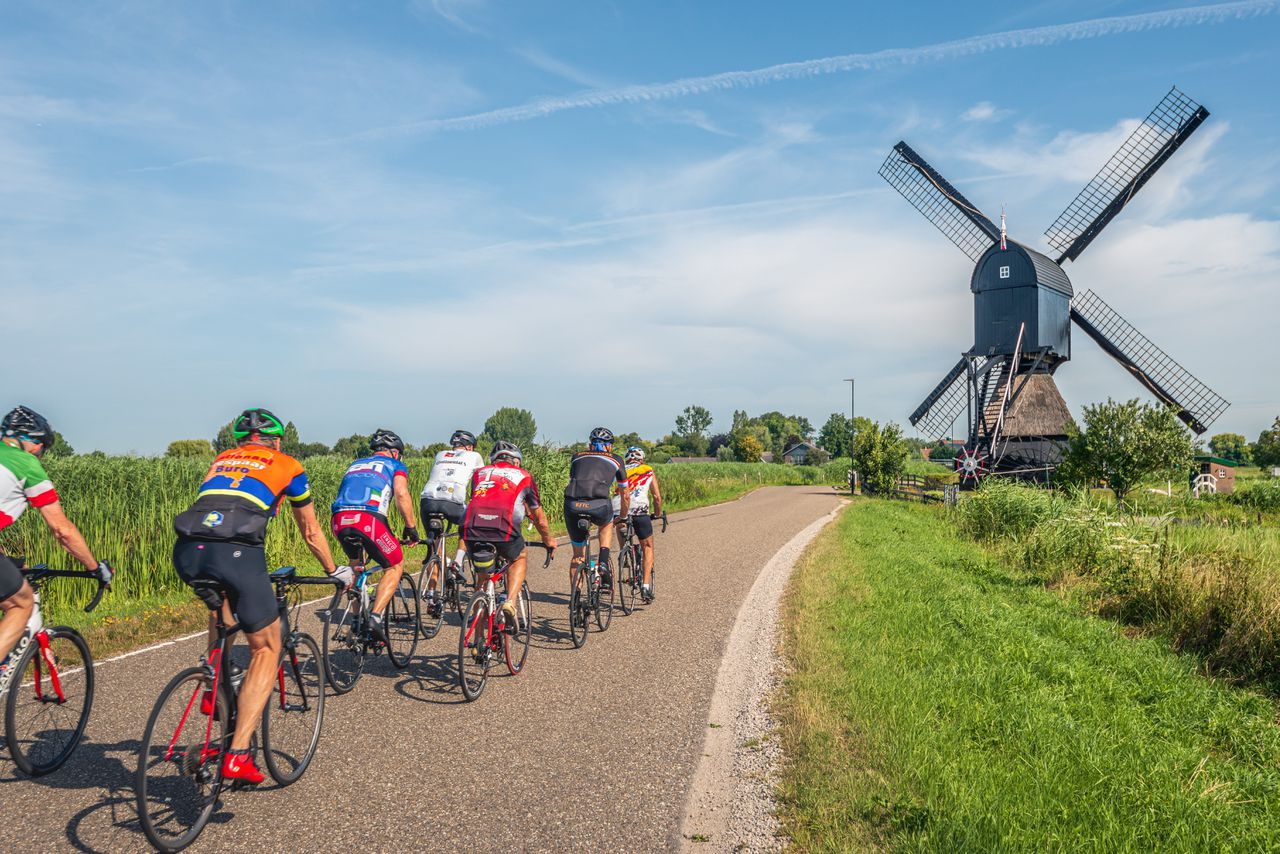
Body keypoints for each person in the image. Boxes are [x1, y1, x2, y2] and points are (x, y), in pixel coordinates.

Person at [172, 407, 348, 785]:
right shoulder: (288, 464)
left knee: (222, 611)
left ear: (239, 442)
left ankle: (214, 686)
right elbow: (311, 531)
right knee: (267, 648)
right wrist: (334, 570)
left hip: (187, 550)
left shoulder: (222, 460)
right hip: (236, 551)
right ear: (277, 440)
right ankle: (237, 755)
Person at [0, 406, 112, 683]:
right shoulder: (26, 464)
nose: (40, 453)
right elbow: (62, 530)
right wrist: (95, 568)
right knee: (21, 604)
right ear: (34, 443)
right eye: (42, 448)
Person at [330, 429, 420, 643]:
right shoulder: (396, 465)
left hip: (339, 519)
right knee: (394, 565)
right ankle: (376, 618)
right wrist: (411, 528)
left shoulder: (355, 464)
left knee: (355, 565)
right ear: (395, 453)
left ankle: (355, 621)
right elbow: (401, 494)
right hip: (369, 519)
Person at [461, 441, 555, 625]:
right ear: (517, 462)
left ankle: (479, 642)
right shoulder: (524, 476)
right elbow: (539, 517)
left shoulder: (479, 474)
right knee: (519, 557)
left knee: (482, 581)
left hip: (471, 528)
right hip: (503, 528)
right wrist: (548, 540)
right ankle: (510, 603)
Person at [419, 429, 484, 615]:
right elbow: (480, 483)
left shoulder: (440, 454)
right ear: (470, 446)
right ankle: (456, 561)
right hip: (453, 503)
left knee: (435, 547)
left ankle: (431, 596)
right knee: (467, 526)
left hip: (428, 502)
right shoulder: (475, 456)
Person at [564, 427, 629, 590]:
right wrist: (622, 515)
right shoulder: (616, 459)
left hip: (572, 505)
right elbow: (625, 495)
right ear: (609, 446)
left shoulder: (576, 457)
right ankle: (603, 562)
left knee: (577, 556)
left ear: (590, 445)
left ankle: (576, 601)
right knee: (606, 524)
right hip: (599, 504)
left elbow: (573, 480)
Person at [613, 446, 663, 603]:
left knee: (622, 527)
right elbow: (656, 497)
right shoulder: (647, 470)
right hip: (640, 510)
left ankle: (624, 553)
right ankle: (646, 587)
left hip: (619, 507)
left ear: (627, 459)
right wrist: (657, 513)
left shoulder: (619, 469)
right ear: (642, 459)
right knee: (647, 547)